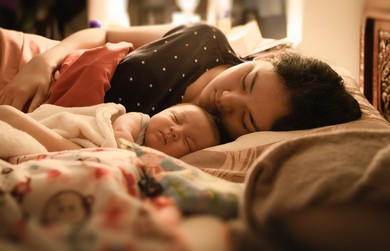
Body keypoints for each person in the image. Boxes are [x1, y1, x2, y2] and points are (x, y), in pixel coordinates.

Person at [0, 23, 362, 139]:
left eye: (247, 119)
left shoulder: (198, 139)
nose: (228, 100)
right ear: (265, 59)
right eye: (248, 81)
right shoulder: (207, 40)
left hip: (30, 118)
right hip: (32, 57)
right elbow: (103, 33)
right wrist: (42, 63)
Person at [0, 103, 220, 158]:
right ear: (165, 110)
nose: (174, 131)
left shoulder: (156, 160)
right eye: (175, 118)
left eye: (187, 142)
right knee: (9, 115)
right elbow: (122, 127)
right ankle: (12, 119)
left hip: (85, 153)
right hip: (95, 142)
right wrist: (124, 146)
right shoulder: (142, 120)